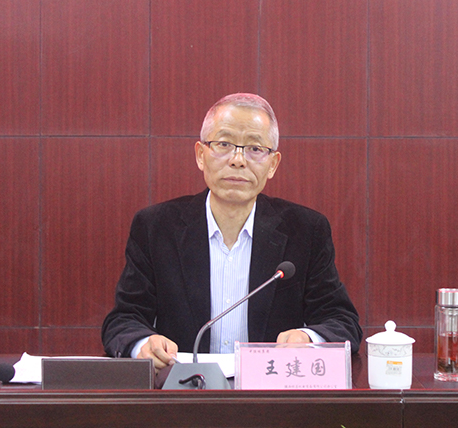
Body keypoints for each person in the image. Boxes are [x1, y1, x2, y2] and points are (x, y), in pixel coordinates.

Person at [101, 93, 361, 370]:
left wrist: (307, 338)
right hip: (183, 390)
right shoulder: (156, 227)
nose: (238, 160)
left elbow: (342, 322)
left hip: (270, 391)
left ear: (272, 164)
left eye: (255, 149)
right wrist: (144, 344)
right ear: (201, 155)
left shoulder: (306, 231)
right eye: (224, 144)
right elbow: (123, 320)